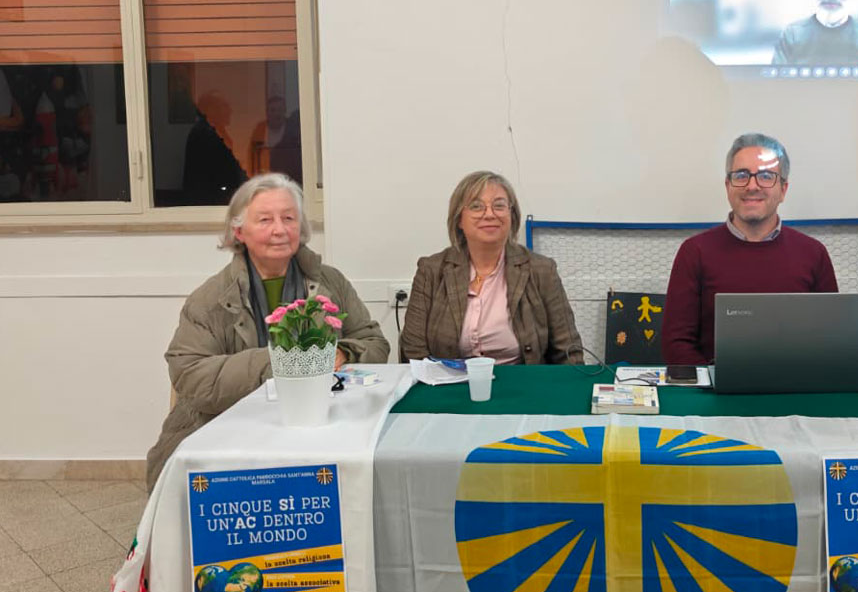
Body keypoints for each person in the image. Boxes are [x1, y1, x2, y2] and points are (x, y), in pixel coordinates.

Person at [146, 173, 389, 488]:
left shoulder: (331, 282)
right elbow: (189, 374)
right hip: (227, 429)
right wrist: (282, 363)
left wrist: (343, 352)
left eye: (289, 218)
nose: (279, 230)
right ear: (239, 231)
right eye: (264, 220)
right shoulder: (210, 298)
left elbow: (375, 343)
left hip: (321, 425)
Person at [662, 133, 838, 364]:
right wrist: (716, 379)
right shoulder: (694, 252)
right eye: (741, 175)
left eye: (766, 176)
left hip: (796, 383)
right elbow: (676, 343)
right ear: (728, 186)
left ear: (783, 189)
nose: (752, 186)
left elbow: (832, 339)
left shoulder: (814, 254)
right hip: (716, 385)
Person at [401, 170, 583, 364]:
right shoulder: (431, 271)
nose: (489, 214)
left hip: (521, 379)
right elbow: (413, 350)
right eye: (476, 206)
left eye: (499, 205)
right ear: (459, 219)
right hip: (448, 380)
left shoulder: (541, 270)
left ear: (511, 215)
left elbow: (568, 351)